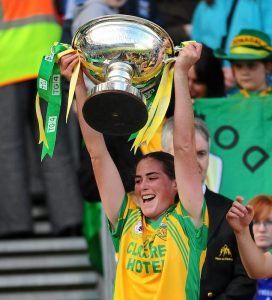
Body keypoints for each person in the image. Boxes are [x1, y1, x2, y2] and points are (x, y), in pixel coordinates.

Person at [60, 43, 207, 299]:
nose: (142, 186)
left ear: (176, 184)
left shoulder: (188, 218)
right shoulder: (126, 218)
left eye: (152, 178)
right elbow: (98, 154)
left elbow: (184, 148)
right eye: (138, 180)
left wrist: (181, 74)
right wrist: (79, 83)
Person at [0, 0, 83, 238]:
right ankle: (69, 219)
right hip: (48, 57)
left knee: (8, 149)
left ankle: (16, 224)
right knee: (53, 141)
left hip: (6, 64)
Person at [161, 117, 256, 299]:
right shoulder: (147, 214)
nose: (194, 162)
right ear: (165, 156)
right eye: (184, 153)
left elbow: (245, 279)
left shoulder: (234, 214)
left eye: (202, 153)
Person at [191, 0, 272, 90]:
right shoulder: (204, 6)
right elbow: (195, 47)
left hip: (257, 87)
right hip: (211, 86)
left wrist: (237, 70)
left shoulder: (265, 3)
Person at [227, 196, 272, 299]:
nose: (262, 229)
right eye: (255, 222)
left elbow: (259, 269)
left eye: (269, 222)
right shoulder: (227, 262)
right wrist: (242, 230)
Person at [214, 29, 272, 97]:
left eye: (251, 65)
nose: (244, 72)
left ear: (268, 67)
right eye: (238, 66)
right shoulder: (228, 104)